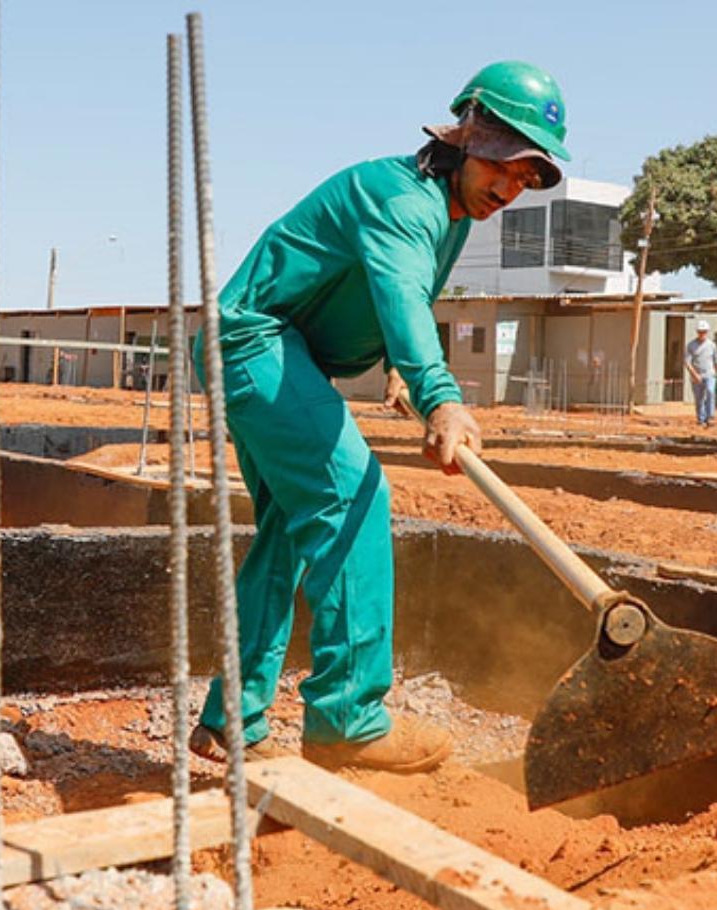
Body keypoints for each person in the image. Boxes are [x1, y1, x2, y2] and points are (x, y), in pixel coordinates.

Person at [188, 62, 571, 774]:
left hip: (275, 349)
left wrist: (397, 368)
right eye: (506, 168)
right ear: (467, 137)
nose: (510, 190)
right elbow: (398, 291)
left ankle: (228, 721)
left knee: (289, 532)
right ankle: (349, 720)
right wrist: (439, 395)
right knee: (354, 495)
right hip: (253, 341)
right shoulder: (400, 198)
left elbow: (402, 298)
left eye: (527, 179)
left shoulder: (451, 214)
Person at [685, 319, 717, 427]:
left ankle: (710, 416)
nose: (702, 334)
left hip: (709, 374)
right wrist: (694, 375)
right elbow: (687, 362)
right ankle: (701, 419)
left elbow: (716, 361)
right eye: (700, 331)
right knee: (699, 398)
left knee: (710, 392)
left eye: (704, 332)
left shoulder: (712, 345)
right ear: (697, 332)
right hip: (697, 376)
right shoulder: (691, 345)